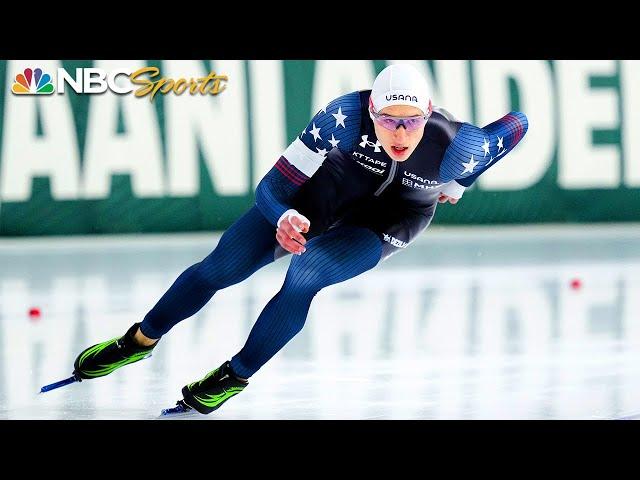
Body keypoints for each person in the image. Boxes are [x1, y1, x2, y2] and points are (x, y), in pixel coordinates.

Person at [72, 64, 529, 415]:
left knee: (306, 274)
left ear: (428, 115)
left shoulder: (458, 147)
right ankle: (138, 341)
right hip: (319, 198)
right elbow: (269, 189)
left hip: (393, 218)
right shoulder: (342, 117)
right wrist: (285, 214)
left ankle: (235, 375)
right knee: (220, 269)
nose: (401, 134)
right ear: (371, 109)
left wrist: (459, 183)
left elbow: (518, 123)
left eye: (411, 123)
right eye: (389, 121)